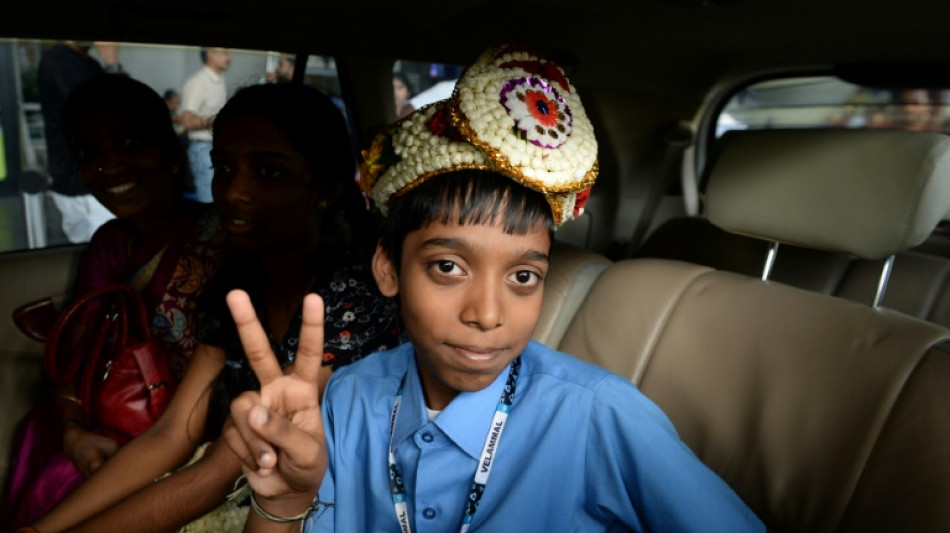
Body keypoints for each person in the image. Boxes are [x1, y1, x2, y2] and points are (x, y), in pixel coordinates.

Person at [224, 45, 765, 532]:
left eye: (523, 277)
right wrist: (287, 501)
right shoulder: (351, 398)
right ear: (388, 269)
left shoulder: (599, 416)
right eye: (448, 267)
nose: (487, 315)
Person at [26, 82, 404, 533]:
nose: (233, 191)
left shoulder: (353, 296)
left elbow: (220, 470)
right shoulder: (239, 282)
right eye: (223, 167)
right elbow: (172, 433)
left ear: (324, 188)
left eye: (268, 171)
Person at [5, 74, 226, 531]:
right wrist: (74, 433)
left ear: (170, 152)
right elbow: (72, 366)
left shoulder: (222, 239)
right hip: (112, 425)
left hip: (196, 436)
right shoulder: (109, 246)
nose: (108, 165)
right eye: (88, 152)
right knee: (59, 473)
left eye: (129, 142)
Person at [37, 41, 124, 244]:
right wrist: (112, 63)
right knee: (111, 252)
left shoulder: (90, 64)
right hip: (81, 184)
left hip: (91, 178)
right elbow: (103, 112)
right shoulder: (58, 61)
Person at [180, 47, 231, 203]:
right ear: (210, 54)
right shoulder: (198, 81)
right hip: (202, 148)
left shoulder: (220, 79)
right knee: (209, 199)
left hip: (216, 146)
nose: (229, 57)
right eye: (224, 52)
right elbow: (188, 121)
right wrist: (219, 120)